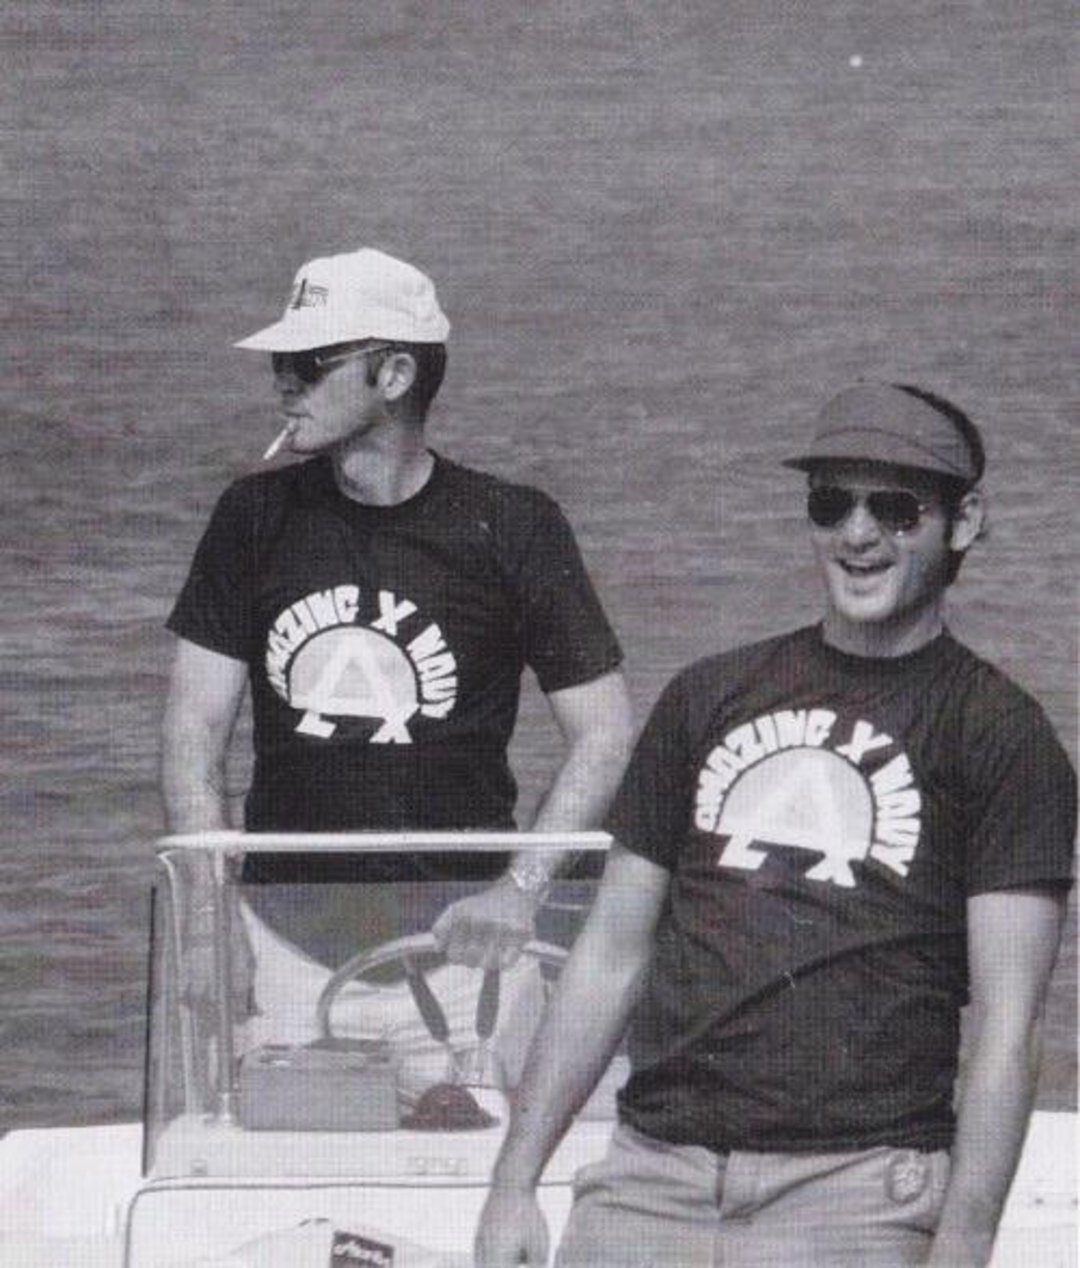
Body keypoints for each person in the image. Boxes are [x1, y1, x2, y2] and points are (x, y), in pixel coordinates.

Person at [475, 382, 1076, 1267]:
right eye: (832, 503)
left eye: (896, 507)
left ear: (965, 519)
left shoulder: (1001, 736)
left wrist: (964, 1248)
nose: (858, 534)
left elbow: (1007, 1025)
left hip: (859, 1199)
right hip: (648, 1179)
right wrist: (512, 1184)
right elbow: (610, 955)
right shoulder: (705, 696)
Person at [161, 246, 633, 975]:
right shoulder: (250, 517)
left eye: (311, 362)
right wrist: (206, 919)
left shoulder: (514, 524)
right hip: (280, 944)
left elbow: (604, 734)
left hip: (461, 947)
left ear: (396, 375)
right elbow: (195, 731)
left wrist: (518, 894)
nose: (285, 384)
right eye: (279, 363)